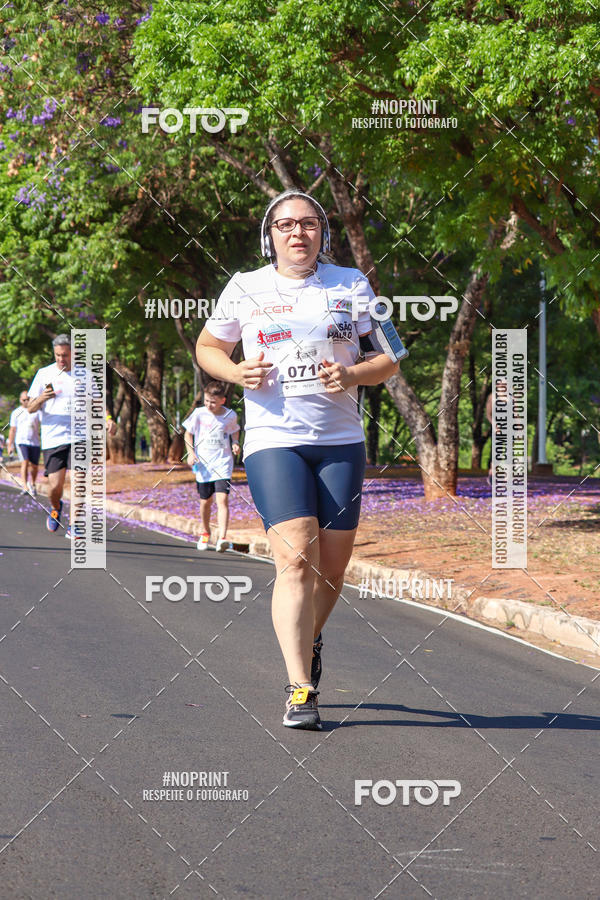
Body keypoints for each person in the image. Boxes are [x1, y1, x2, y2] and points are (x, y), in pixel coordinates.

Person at [196, 189, 401, 729]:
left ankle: (308, 640)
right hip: (273, 439)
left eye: (308, 224)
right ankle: (300, 688)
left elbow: (392, 356)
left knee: (332, 569)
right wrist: (236, 372)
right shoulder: (245, 287)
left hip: (340, 442)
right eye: (286, 225)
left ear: (321, 233)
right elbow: (207, 347)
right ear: (271, 235)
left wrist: (355, 374)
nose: (298, 234)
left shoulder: (351, 284)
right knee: (294, 557)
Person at [182, 380, 240, 552]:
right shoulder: (199, 414)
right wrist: (191, 453)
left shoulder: (230, 415)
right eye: (207, 400)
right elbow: (188, 434)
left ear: (223, 400)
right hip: (204, 465)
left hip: (222, 464)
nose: (209, 405)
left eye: (213, 402)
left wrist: (236, 442)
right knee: (205, 502)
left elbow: (234, 430)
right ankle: (205, 532)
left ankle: (222, 537)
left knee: (222, 500)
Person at [7, 391, 41, 495]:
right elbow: (12, 430)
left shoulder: (37, 412)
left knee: (35, 466)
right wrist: (10, 445)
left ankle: (33, 484)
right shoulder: (16, 413)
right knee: (25, 462)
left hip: (35, 442)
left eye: (28, 399)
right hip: (21, 441)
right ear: (20, 400)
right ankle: (25, 486)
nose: (26, 401)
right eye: (24, 400)